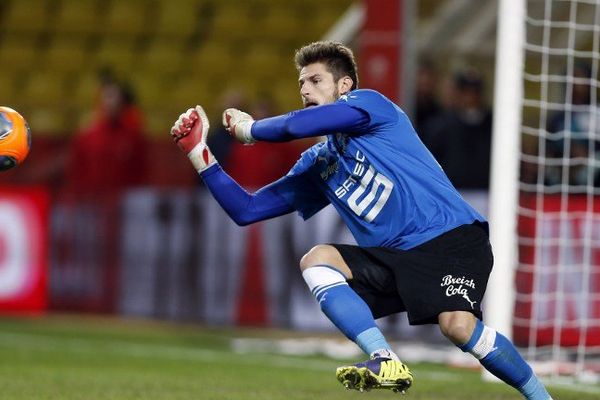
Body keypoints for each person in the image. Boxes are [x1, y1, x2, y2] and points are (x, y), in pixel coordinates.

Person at [169, 41, 552, 398]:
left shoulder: (372, 106)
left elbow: (292, 127)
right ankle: (384, 359)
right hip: (395, 258)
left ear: (344, 85)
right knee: (317, 261)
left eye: (316, 80)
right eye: (301, 83)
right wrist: (200, 156)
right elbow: (247, 210)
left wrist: (249, 130)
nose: (305, 90)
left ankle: (541, 396)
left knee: (458, 327)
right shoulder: (320, 163)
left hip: (449, 239)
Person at [421, 69, 493, 189]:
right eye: (466, 91)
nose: (470, 96)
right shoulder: (440, 124)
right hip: (452, 192)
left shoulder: (493, 124)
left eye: (475, 91)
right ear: (458, 93)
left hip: (485, 193)